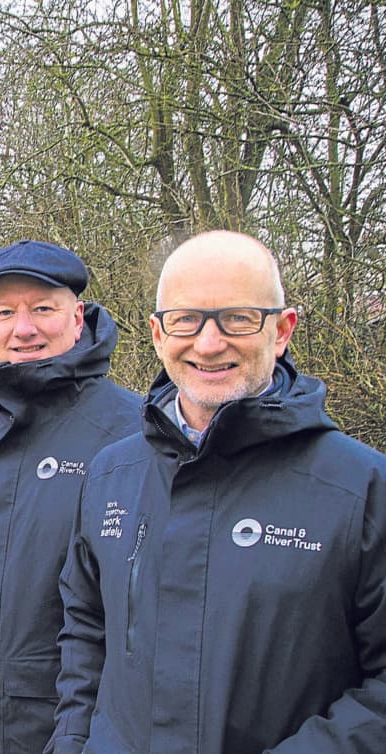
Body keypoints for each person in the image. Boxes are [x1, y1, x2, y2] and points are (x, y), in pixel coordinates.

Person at [48, 230, 386, 754]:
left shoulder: (361, 488)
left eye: (238, 318)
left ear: (282, 329)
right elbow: (87, 629)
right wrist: (73, 741)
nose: (208, 343)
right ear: (158, 335)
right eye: (186, 319)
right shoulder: (112, 474)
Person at [0, 240, 140, 754]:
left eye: (42, 309)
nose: (24, 329)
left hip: (75, 728)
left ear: (77, 316)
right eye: (5, 313)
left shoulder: (133, 435)